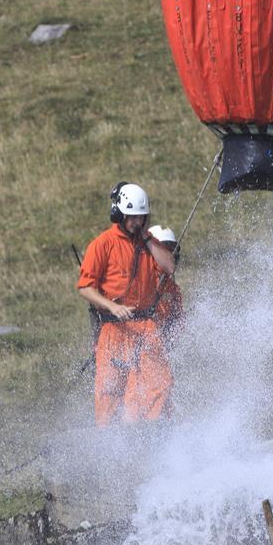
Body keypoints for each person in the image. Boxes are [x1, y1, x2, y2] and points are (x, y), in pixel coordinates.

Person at [77, 183, 176, 427]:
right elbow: (85, 287)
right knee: (109, 395)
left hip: (146, 328)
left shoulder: (149, 243)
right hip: (114, 329)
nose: (136, 222)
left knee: (158, 384)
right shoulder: (102, 244)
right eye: (131, 217)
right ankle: (112, 449)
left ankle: (153, 436)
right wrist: (111, 307)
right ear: (118, 215)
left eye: (141, 217)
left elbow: (169, 267)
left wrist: (147, 238)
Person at [147, 225, 184, 342]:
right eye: (164, 250)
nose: (167, 255)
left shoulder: (173, 289)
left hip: (161, 345)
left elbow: (179, 320)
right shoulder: (137, 282)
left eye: (170, 250)